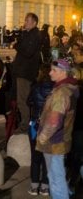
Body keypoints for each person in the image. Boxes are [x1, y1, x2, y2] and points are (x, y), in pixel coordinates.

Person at [36, 58, 79, 199]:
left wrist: (41, 138)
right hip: (61, 140)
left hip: (54, 142)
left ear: (63, 72)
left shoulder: (62, 93)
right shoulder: (67, 88)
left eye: (53, 70)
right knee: (56, 175)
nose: (49, 73)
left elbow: (54, 121)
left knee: (55, 178)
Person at [12, 12, 41, 134]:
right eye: (25, 20)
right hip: (23, 71)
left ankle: (25, 126)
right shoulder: (29, 34)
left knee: (22, 100)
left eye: (27, 20)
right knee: (22, 100)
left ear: (34, 23)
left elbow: (28, 52)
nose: (25, 23)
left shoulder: (34, 35)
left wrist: (16, 45)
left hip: (25, 72)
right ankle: (26, 124)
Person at [27, 64, 53, 196]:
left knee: (35, 157)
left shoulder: (35, 87)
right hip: (50, 127)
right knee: (47, 158)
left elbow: (28, 102)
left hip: (35, 124)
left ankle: (34, 186)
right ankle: (45, 186)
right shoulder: (56, 89)